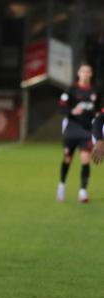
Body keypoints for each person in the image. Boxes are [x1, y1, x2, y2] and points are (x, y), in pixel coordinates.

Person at [59, 64, 97, 203]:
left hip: (86, 131)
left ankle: (83, 191)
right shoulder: (71, 89)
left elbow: (98, 109)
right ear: (78, 73)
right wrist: (71, 111)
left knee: (85, 160)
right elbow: (62, 107)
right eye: (83, 71)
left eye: (88, 71)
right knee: (67, 159)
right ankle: (62, 184)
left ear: (91, 74)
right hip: (72, 130)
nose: (85, 74)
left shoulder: (95, 91)